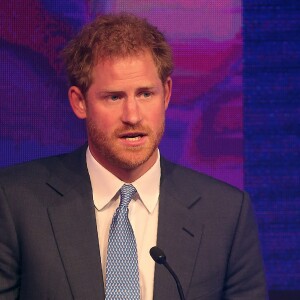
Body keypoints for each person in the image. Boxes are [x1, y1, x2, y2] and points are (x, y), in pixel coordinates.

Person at [0, 13, 267, 300]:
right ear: (79, 102)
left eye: (145, 94)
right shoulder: (15, 202)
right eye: (114, 97)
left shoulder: (226, 213)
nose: (132, 116)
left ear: (166, 94)